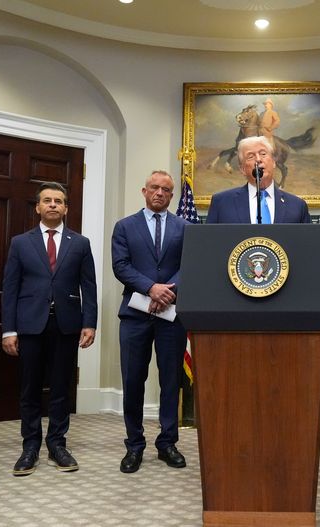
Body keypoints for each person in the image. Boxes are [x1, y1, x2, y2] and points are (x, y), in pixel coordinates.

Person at [1, 182, 98, 476]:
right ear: (38, 207)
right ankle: (30, 447)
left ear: (66, 208)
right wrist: (8, 330)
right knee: (29, 389)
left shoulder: (80, 243)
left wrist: (89, 323)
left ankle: (57, 444)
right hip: (30, 325)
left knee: (60, 388)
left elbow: (89, 287)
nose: (53, 204)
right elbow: (10, 288)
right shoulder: (20, 243)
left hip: (66, 325)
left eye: (58, 201)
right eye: (47, 200)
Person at [111, 170, 190, 474]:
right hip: (135, 316)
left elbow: (190, 264)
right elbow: (120, 265)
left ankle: (167, 443)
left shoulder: (185, 227)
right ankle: (134, 445)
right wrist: (150, 288)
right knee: (133, 380)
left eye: (166, 190)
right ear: (144, 191)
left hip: (171, 315)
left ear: (172, 195)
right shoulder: (125, 226)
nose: (160, 193)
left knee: (170, 380)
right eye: (154, 188)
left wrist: (167, 291)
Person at [205, 136, 310, 224]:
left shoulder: (297, 206)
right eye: (251, 156)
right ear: (242, 169)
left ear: (274, 162)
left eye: (263, 154)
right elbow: (210, 241)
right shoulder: (221, 203)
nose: (258, 159)